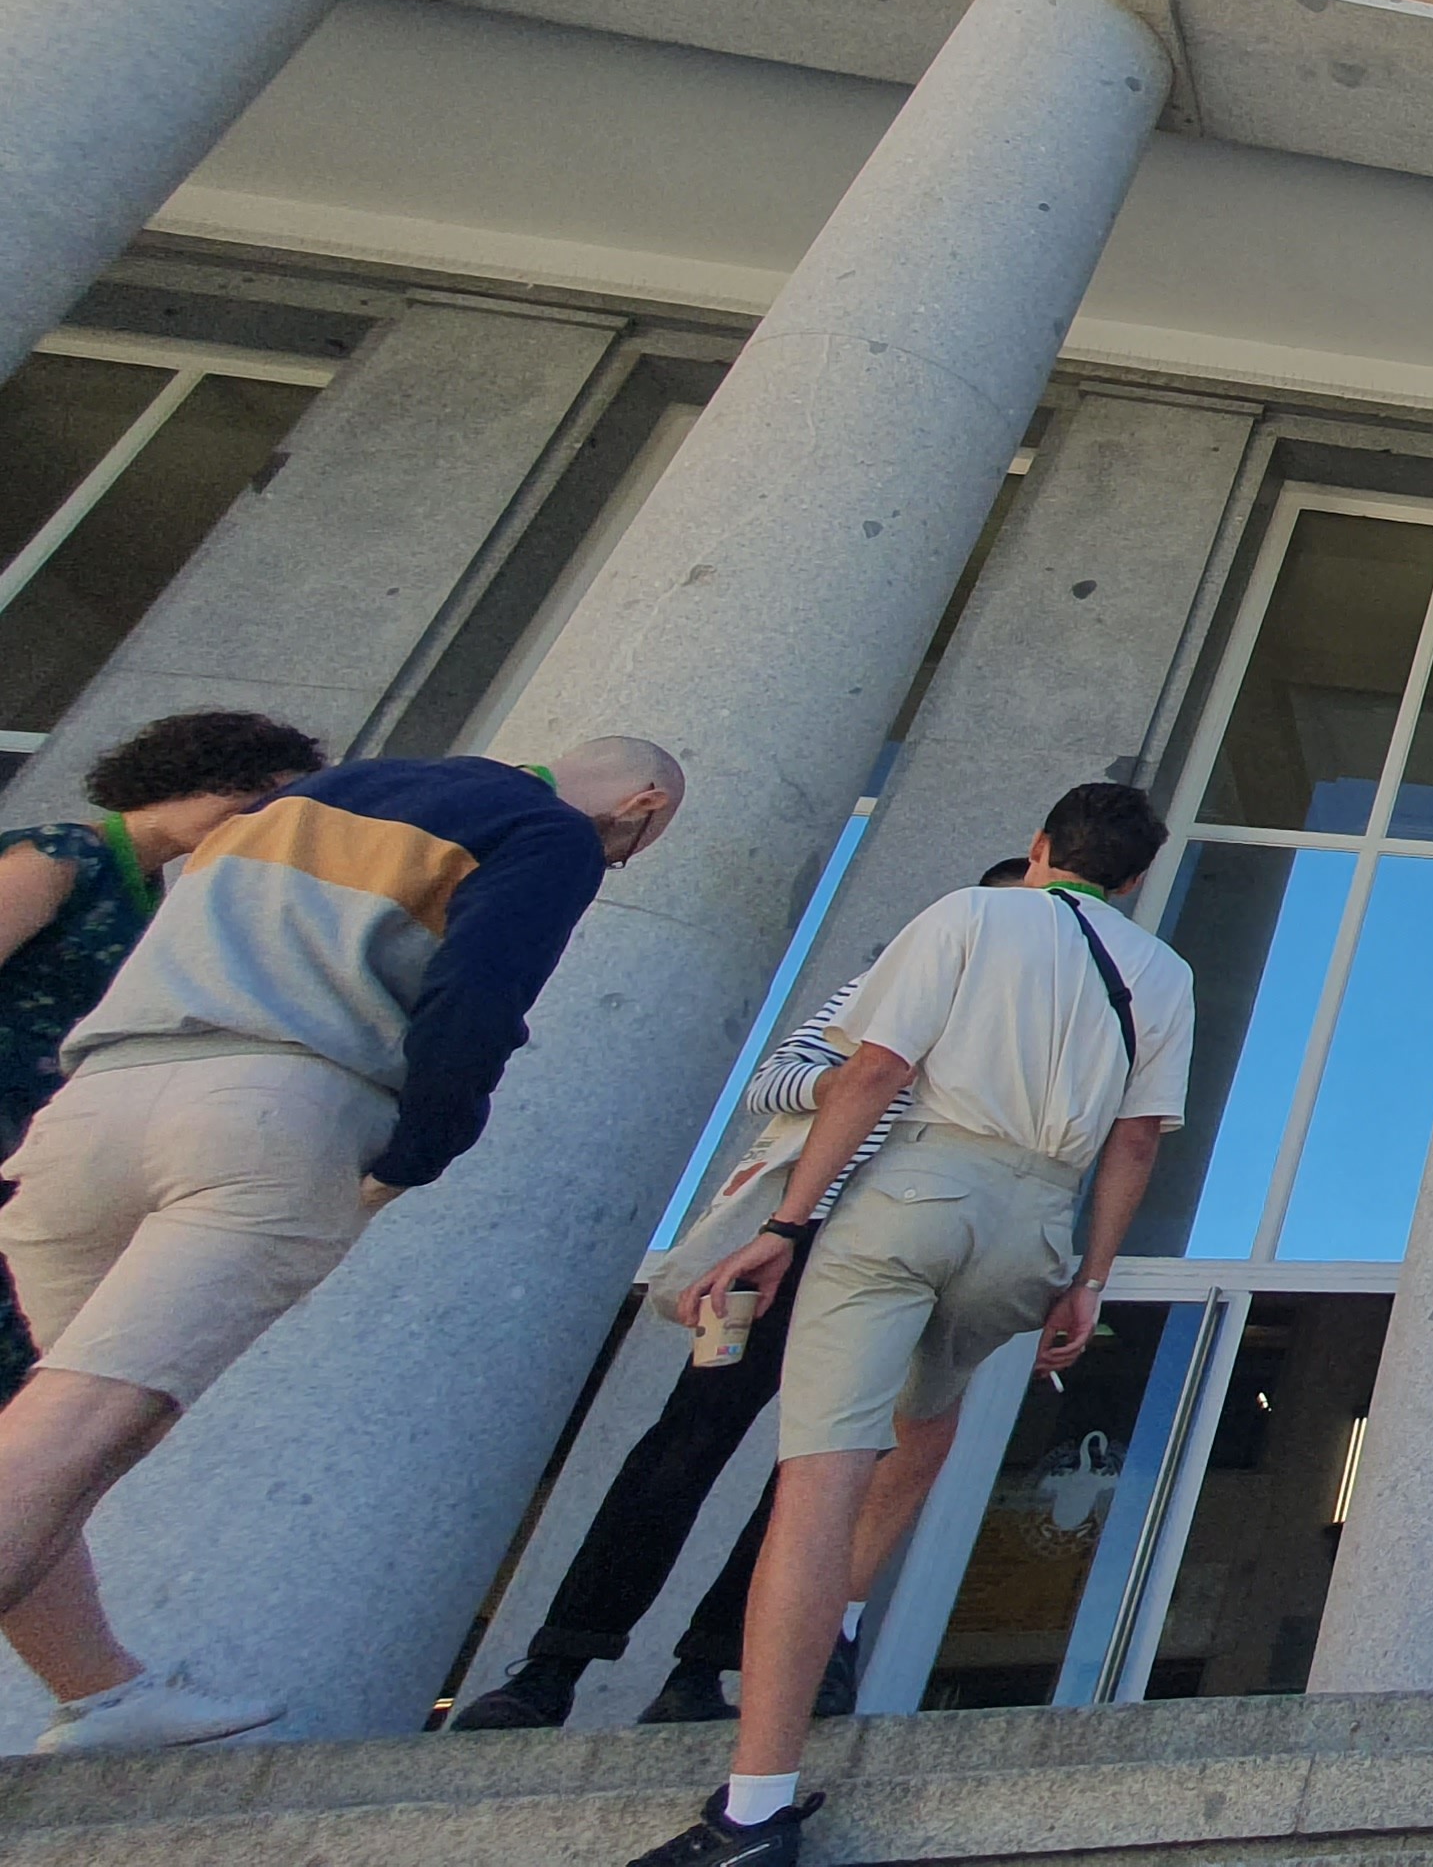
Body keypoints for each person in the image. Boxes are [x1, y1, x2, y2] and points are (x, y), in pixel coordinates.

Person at [0, 734, 682, 1752]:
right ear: (637, 804)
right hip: (272, 1108)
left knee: (61, 1434)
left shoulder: (299, 803)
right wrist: (418, 1150)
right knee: (80, 1429)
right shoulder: (547, 832)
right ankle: (100, 1696)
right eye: (640, 843)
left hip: (93, 1106)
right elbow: (479, 996)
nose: (623, 859)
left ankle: (97, 1693)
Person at [629, 783, 1189, 1867]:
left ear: (1040, 846)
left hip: (918, 1189)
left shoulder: (968, 915)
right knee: (927, 1421)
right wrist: (1091, 1280)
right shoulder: (1163, 973)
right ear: (1132, 877)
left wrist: (789, 1224)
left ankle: (754, 1806)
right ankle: (841, 1622)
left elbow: (873, 1070)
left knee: (819, 1477)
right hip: (1035, 1221)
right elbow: (1137, 1144)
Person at [454, 855, 1041, 1732]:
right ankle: (556, 1660)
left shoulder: (1033, 1030)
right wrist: (854, 1079)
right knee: (684, 1441)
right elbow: (777, 1078)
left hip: (891, 1260)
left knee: (807, 1476)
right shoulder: (883, 983)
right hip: (786, 1247)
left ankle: (705, 1671)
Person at [0, 712, 329, 1388]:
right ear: (196, 779)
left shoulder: (143, 890)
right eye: (249, 801)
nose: (254, 823)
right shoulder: (62, 855)